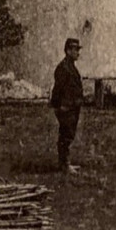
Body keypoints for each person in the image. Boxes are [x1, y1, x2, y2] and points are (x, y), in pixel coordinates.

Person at [49, 37, 83, 173]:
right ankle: (64, 164)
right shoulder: (63, 68)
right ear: (68, 51)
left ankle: (65, 163)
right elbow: (58, 89)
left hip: (72, 106)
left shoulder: (71, 67)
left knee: (69, 134)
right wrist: (58, 107)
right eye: (75, 50)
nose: (78, 53)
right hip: (66, 107)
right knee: (66, 135)